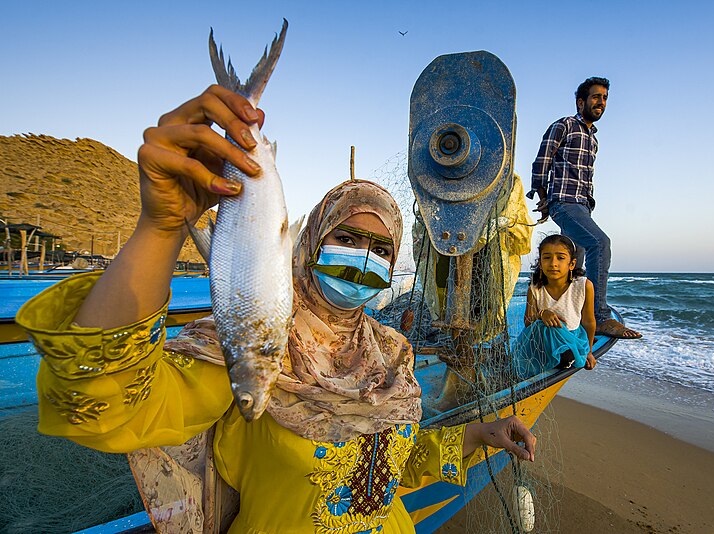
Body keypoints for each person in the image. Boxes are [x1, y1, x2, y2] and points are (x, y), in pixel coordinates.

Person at [16, 85, 536, 533]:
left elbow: (389, 468)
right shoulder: (252, 344)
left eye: (381, 249)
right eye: (348, 237)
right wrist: (160, 229)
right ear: (307, 244)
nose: (364, 260)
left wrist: (476, 434)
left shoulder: (392, 352)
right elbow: (104, 405)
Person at [529, 76, 641, 339]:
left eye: (604, 98)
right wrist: (544, 198)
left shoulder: (593, 138)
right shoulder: (565, 125)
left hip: (582, 205)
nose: (600, 102)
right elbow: (541, 161)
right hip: (564, 202)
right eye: (595, 97)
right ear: (581, 102)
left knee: (574, 265)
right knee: (600, 243)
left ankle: (570, 315)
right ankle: (601, 317)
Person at [512, 234, 596, 378]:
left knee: (564, 348)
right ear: (540, 262)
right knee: (543, 327)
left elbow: (588, 321)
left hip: (570, 337)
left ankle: (565, 357)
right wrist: (542, 313)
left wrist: (589, 351)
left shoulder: (583, 286)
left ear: (572, 264)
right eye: (547, 257)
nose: (553, 263)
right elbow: (528, 323)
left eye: (560, 258)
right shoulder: (535, 288)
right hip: (542, 341)